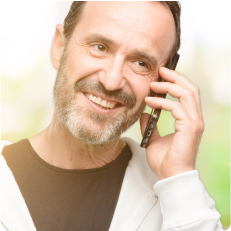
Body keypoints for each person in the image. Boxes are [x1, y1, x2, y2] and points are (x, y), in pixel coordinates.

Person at [0, 1, 224, 231]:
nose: (111, 81)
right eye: (100, 47)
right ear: (59, 47)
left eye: (140, 62)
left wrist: (179, 180)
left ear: (161, 84)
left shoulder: (180, 201)